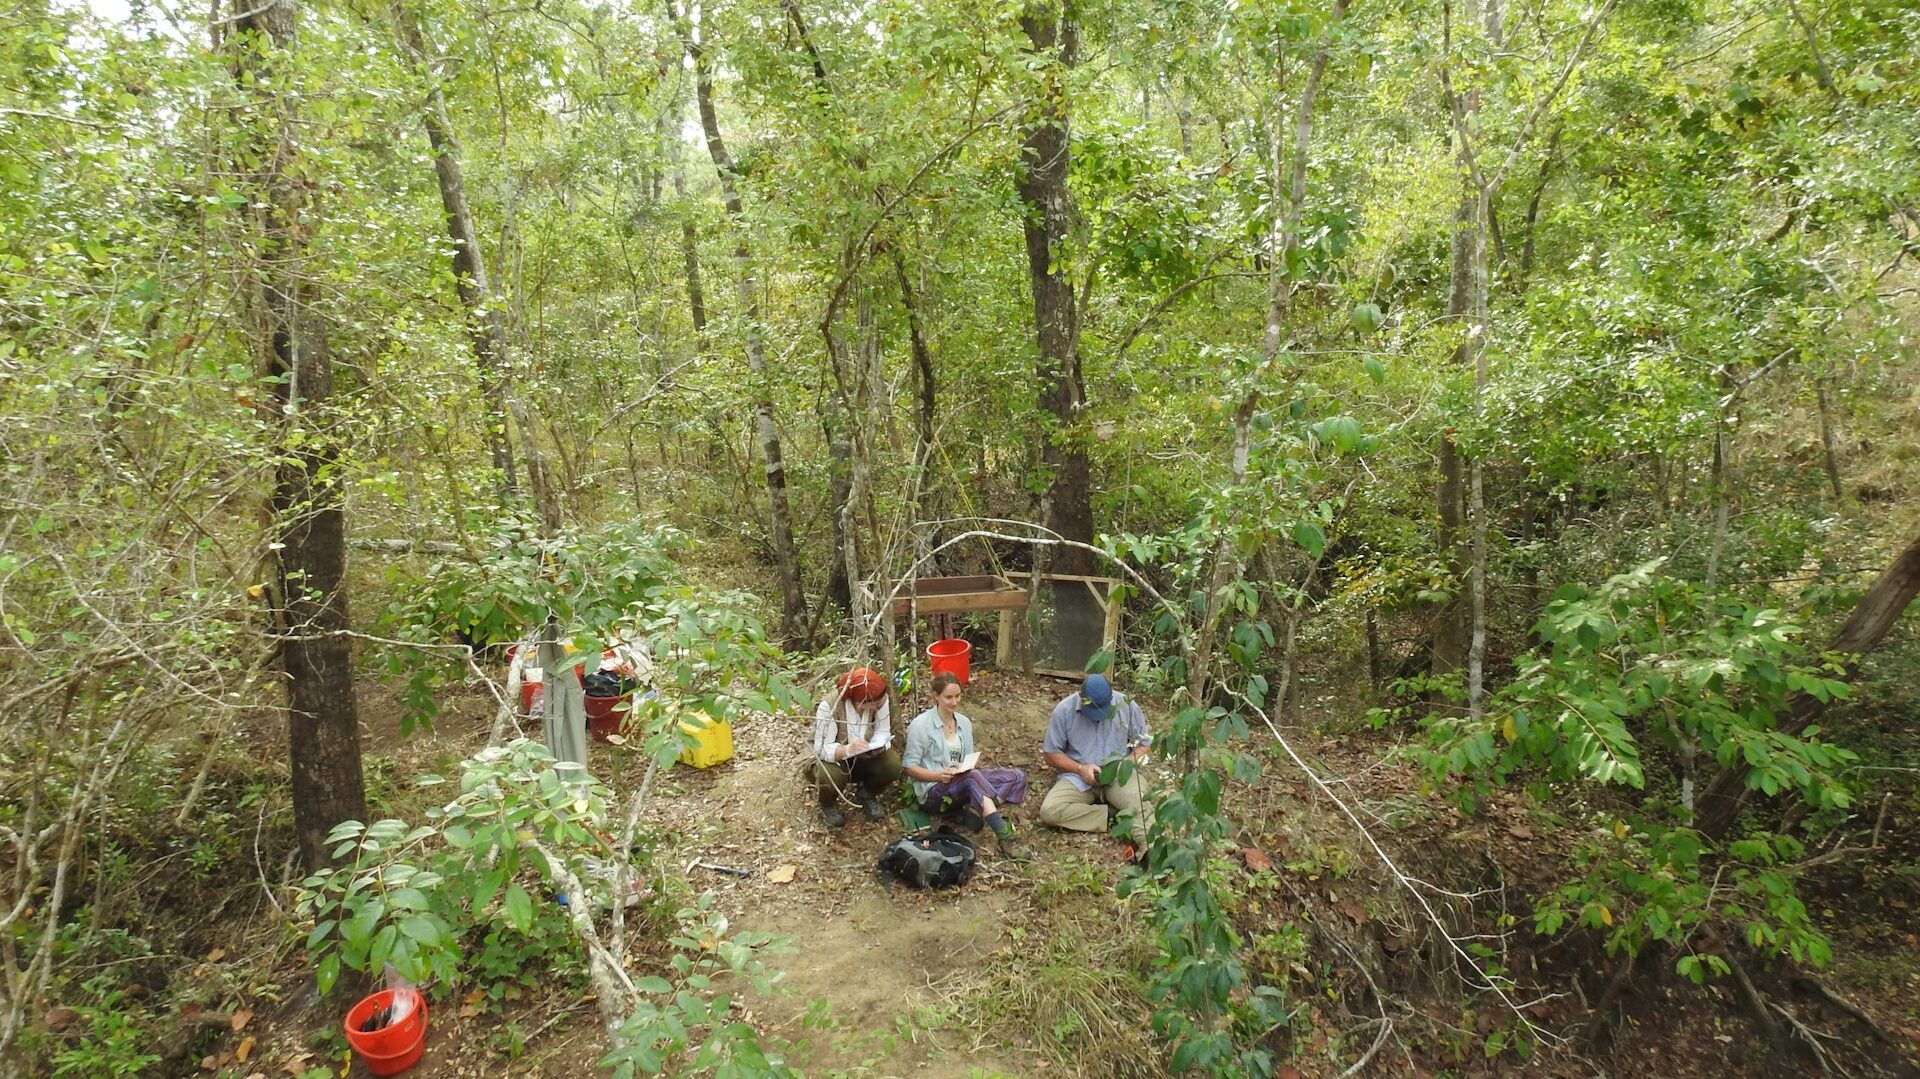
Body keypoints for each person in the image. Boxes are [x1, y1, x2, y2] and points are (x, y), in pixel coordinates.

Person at [901, 671, 1030, 861]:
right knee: (972, 778)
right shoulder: (921, 726)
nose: (954, 702)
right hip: (934, 789)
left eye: (957, 696)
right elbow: (909, 767)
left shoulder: (963, 722)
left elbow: (969, 758)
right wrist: (938, 776)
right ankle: (1005, 837)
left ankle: (976, 806)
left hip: (962, 779)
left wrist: (965, 766)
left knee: (1017, 776)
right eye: (948, 697)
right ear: (936, 696)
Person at [1039, 673, 1154, 855]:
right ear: (1081, 698)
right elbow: (1051, 754)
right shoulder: (1064, 710)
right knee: (1050, 811)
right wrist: (1080, 768)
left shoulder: (1127, 706)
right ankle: (1111, 816)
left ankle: (1151, 851)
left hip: (1118, 774)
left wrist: (1124, 765)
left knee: (1138, 801)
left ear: (1111, 697)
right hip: (1078, 776)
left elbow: (1144, 745)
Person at [809, 667, 902, 827]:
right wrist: (848, 750)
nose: (879, 706)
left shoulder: (880, 700)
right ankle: (828, 803)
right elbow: (822, 749)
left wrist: (878, 746)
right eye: (875, 704)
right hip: (834, 758)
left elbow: (883, 731)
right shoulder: (830, 705)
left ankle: (867, 793)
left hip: (862, 756)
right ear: (860, 701)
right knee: (828, 775)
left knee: (892, 763)